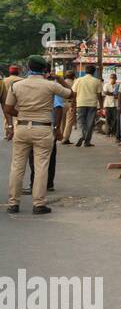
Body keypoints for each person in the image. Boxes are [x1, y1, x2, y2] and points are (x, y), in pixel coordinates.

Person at [5, 56, 71, 214]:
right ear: (44, 69)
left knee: (17, 166)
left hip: (21, 128)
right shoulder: (51, 85)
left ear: (28, 66)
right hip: (43, 128)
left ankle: (13, 203)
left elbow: (8, 109)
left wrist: (21, 114)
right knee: (41, 166)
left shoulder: (16, 85)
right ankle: (39, 204)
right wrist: (60, 79)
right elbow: (71, 95)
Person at [72, 66, 103, 147]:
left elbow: (74, 93)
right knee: (90, 123)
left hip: (80, 103)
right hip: (92, 104)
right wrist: (101, 106)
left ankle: (82, 135)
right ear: (94, 72)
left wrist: (73, 104)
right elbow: (99, 95)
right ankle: (87, 142)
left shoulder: (78, 80)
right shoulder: (97, 81)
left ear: (85, 71)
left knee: (81, 121)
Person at [2, 64, 21, 143]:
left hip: (7, 101)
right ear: (18, 72)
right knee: (18, 116)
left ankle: (7, 132)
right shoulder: (22, 80)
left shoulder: (4, 80)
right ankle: (17, 132)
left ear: (10, 72)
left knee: (7, 116)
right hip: (18, 101)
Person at [104, 73, 121, 144]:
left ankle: (112, 131)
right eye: (111, 78)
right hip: (108, 104)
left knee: (115, 119)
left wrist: (113, 94)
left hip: (115, 105)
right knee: (108, 119)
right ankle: (108, 132)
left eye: (113, 78)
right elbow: (106, 92)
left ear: (116, 78)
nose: (112, 79)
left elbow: (118, 94)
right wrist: (114, 94)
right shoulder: (106, 85)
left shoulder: (118, 85)